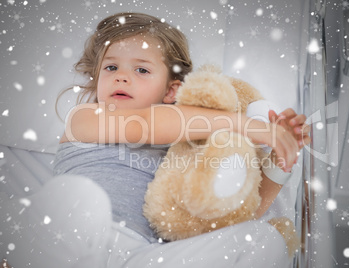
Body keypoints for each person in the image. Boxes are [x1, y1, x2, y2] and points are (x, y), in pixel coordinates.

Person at [1, 12, 310, 267]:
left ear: (171, 91)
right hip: (76, 239)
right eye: (111, 67)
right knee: (76, 197)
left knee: (260, 239)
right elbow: (147, 123)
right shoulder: (85, 118)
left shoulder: (183, 149)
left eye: (141, 69)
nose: (122, 76)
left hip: (140, 257)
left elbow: (233, 214)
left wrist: (281, 161)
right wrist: (251, 126)